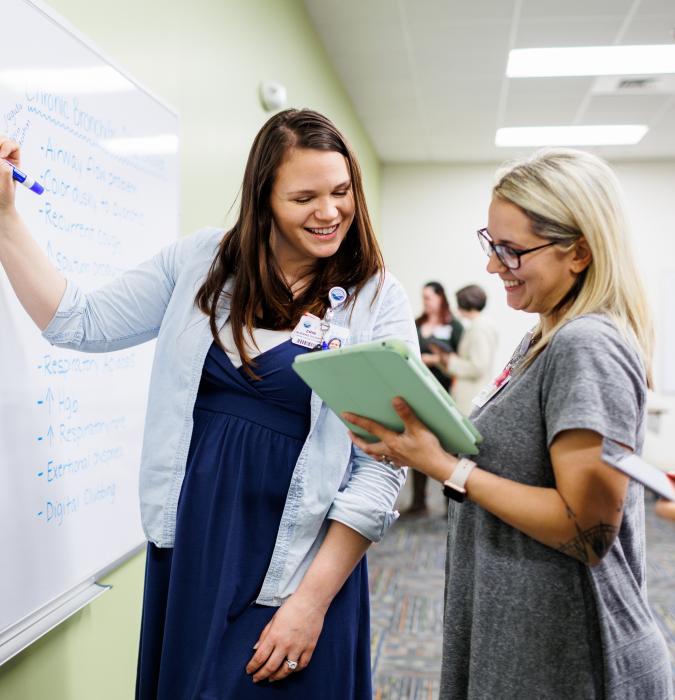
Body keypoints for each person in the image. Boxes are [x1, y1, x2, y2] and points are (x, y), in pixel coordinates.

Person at [0, 109, 417, 699]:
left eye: (342, 191)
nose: (329, 213)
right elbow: (78, 322)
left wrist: (310, 603)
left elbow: (381, 468)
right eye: (304, 197)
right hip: (196, 547)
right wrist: (5, 217)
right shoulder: (202, 262)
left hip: (299, 563)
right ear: (263, 198)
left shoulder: (378, 301)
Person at [345, 149, 673, 699]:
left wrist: (444, 467)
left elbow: (584, 530)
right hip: (525, 640)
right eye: (490, 243)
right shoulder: (541, 339)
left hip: (573, 660)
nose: (493, 266)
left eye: (511, 251)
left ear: (581, 252)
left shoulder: (586, 345)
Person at [407, 281, 463, 513]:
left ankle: (451, 505)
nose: (425, 302)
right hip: (419, 391)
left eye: (429, 297)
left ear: (441, 298)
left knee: (448, 449)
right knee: (418, 441)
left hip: (445, 392)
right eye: (423, 297)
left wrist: (436, 360)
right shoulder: (417, 323)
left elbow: (460, 358)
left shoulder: (454, 326)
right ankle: (418, 501)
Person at [429, 284, 497, 416]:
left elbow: (478, 367)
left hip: (471, 394)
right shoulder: (480, 325)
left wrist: (448, 359)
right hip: (470, 392)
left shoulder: (479, 328)